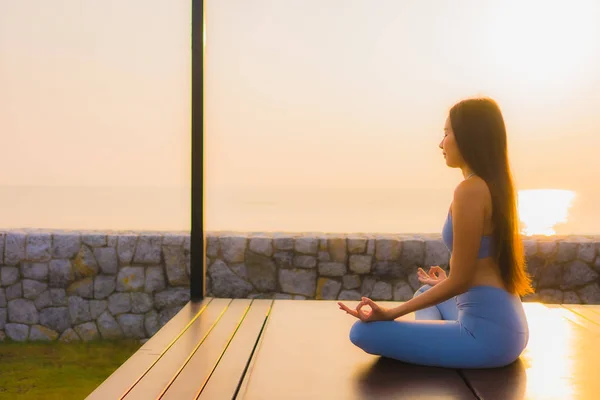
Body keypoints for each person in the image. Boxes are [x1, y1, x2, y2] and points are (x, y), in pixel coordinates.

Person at [338, 97, 534, 369]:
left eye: (446, 133)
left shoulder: (470, 191)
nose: (441, 143)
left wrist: (390, 314)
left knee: (362, 332)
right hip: (508, 327)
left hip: (488, 338)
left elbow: (462, 281)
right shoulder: (493, 186)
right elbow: (474, 272)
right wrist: (446, 283)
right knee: (423, 292)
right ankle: (439, 339)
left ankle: (442, 342)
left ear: (469, 137)